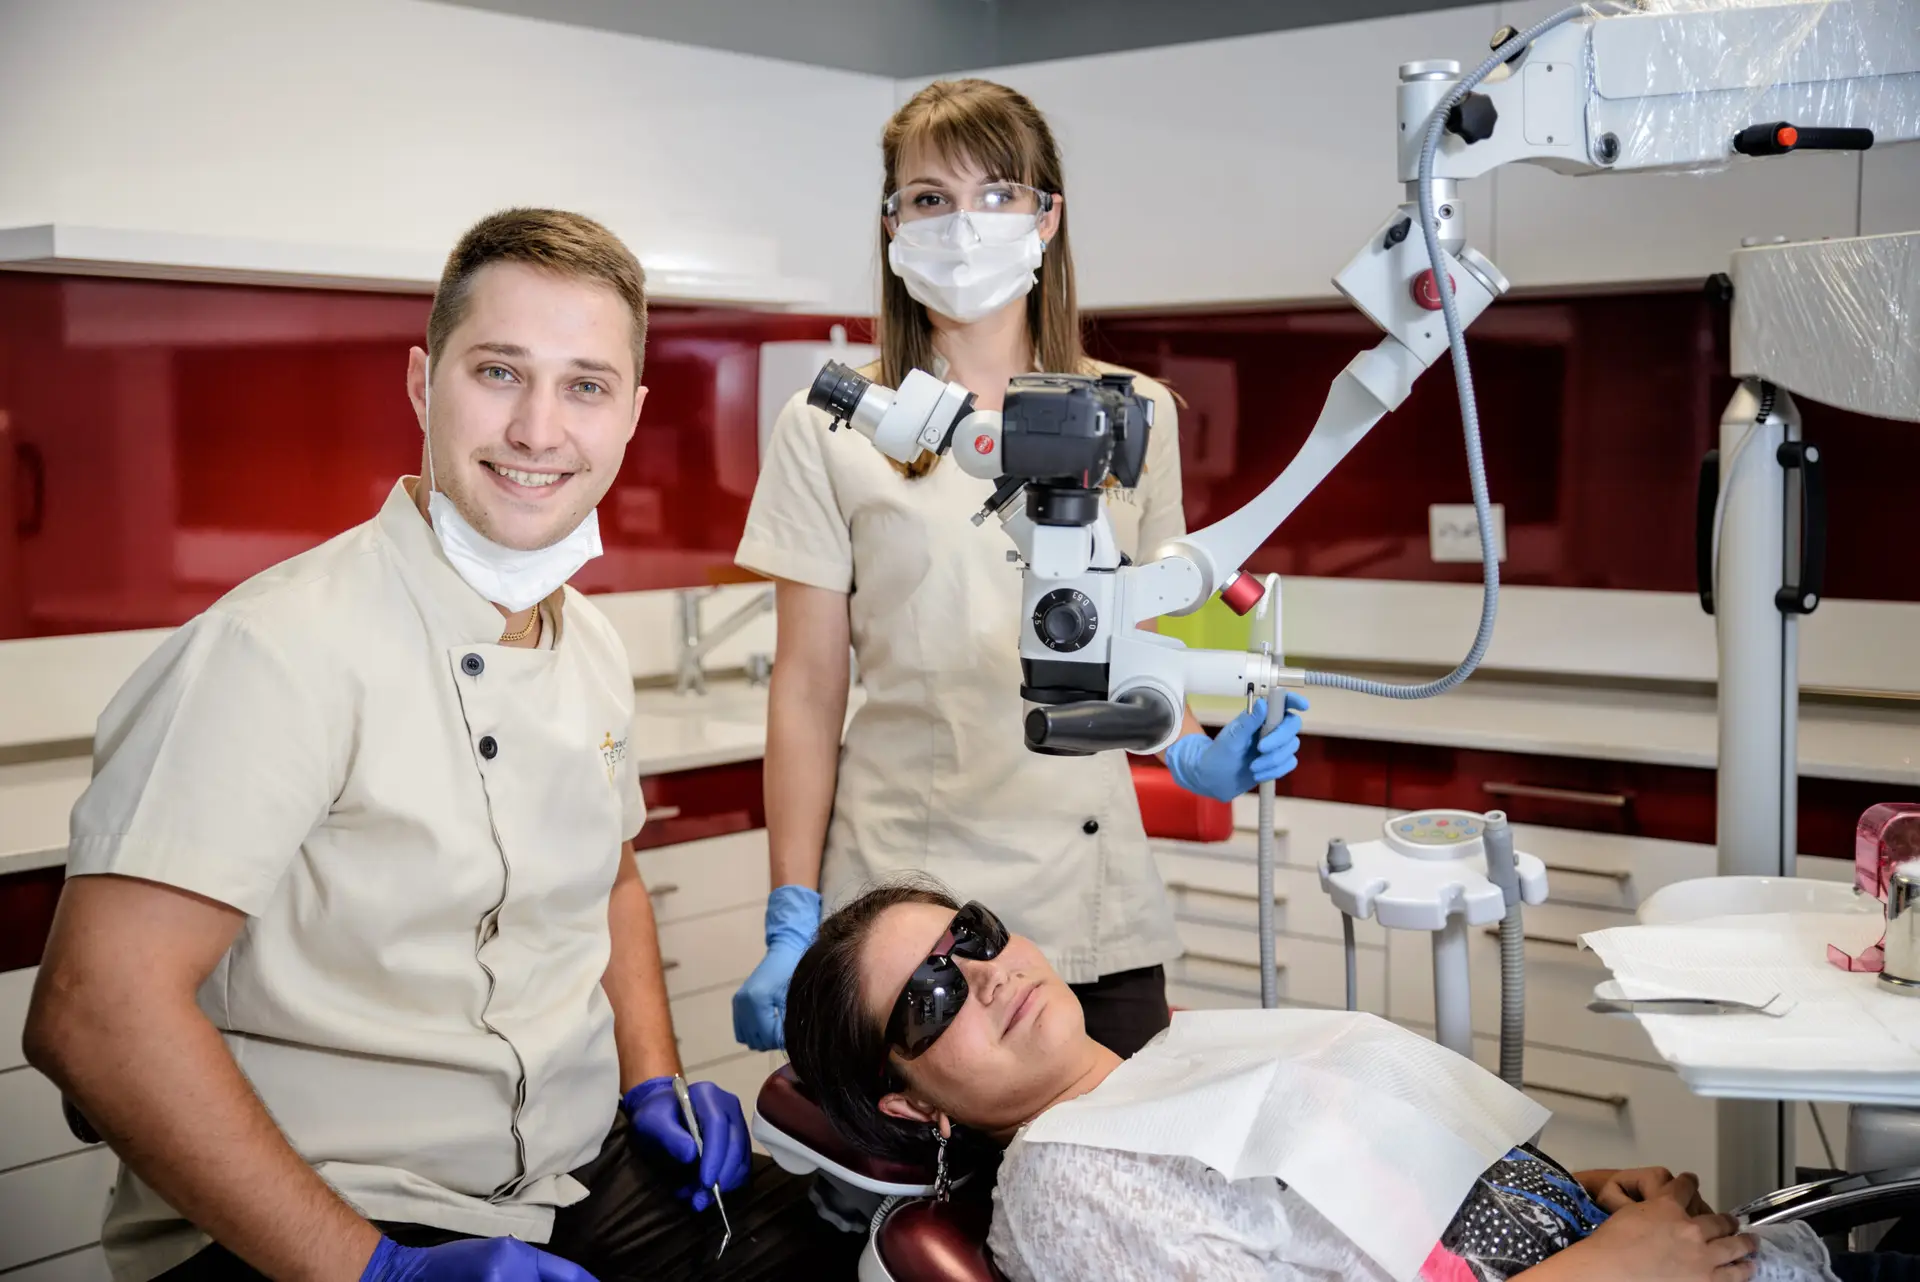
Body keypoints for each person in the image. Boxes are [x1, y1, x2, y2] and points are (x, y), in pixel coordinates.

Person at [24, 209, 859, 1282]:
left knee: (837, 1250)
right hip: (318, 1210)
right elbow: (94, 1013)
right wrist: (379, 1272)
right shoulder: (275, 651)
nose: (539, 429)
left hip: (564, 1178)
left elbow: (610, 876)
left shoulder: (589, 643)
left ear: (632, 416)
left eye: (585, 386)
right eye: (500, 372)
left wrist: (653, 1080)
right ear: (424, 384)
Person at [731, 77, 1305, 1063]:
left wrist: (1191, 749)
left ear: (1048, 217)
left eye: (997, 193)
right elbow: (809, 686)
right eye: (928, 198)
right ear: (890, 224)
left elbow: (1139, 633)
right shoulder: (833, 425)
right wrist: (793, 911)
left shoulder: (1135, 414)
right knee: (916, 1206)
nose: (963, 227)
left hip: (1093, 904)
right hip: (908, 916)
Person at [783, 880, 1920, 1282]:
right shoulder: (1070, 1187)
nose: (980, 977)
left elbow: (1359, 1207)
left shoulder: (1168, 1061)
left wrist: (1568, 1188)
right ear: (911, 1103)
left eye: (969, 935)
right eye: (926, 1000)